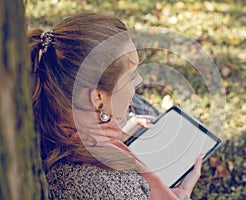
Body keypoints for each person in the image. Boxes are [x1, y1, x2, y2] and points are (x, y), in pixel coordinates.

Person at [28, 13, 204, 199]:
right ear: (97, 97)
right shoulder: (116, 188)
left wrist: (118, 132)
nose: (140, 80)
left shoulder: (45, 112)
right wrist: (183, 193)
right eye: (131, 76)